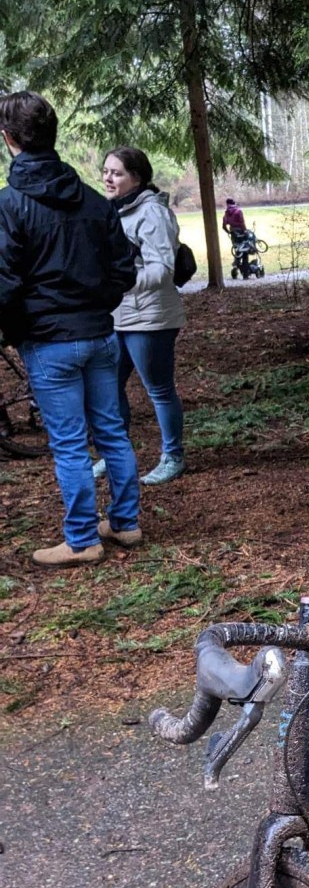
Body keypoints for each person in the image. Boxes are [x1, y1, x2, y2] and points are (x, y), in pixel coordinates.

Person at [0, 91, 142, 566]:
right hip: (98, 335)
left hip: (51, 341)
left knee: (70, 443)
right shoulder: (93, 201)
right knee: (111, 432)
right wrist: (97, 305)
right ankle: (125, 523)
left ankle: (83, 538)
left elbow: (3, 282)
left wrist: (18, 329)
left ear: (10, 140)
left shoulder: (9, 204)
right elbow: (124, 269)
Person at [96, 147, 186, 485]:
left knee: (159, 389)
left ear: (137, 177)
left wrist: (116, 285)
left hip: (151, 318)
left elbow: (162, 270)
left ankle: (173, 456)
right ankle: (113, 454)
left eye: (117, 173)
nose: (108, 178)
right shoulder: (114, 211)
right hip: (117, 315)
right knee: (109, 386)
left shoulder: (152, 214)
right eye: (105, 171)